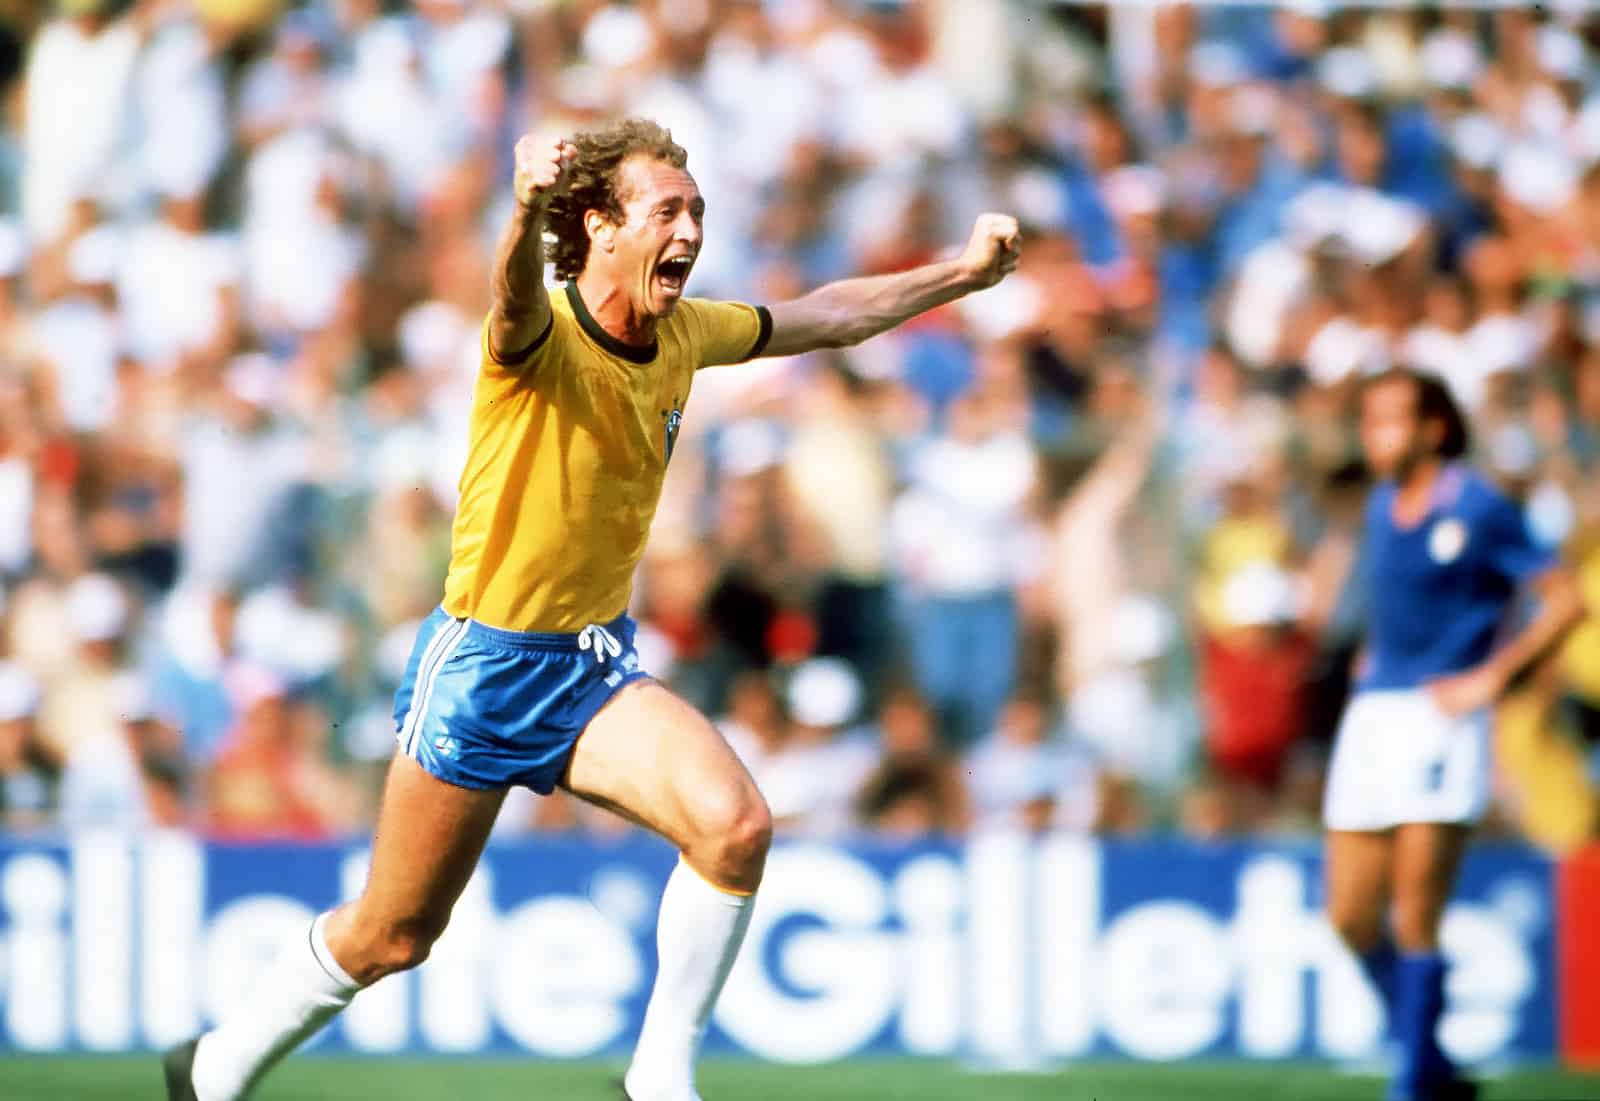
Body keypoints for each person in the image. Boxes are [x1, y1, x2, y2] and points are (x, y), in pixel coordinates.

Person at [163, 117, 1020, 1101]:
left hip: (588, 664)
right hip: (482, 669)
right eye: (667, 211)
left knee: (736, 827)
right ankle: (217, 1067)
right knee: (394, 934)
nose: (690, 230)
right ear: (600, 229)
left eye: (697, 211)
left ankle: (658, 1080)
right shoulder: (542, 336)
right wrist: (525, 208)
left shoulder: (684, 333)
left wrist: (959, 275)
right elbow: (509, 301)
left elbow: (829, 313)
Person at [1322, 368, 1586, 1101]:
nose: (1375, 435)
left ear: (1433, 428)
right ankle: (1431, 1058)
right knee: (1348, 915)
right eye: (1369, 420)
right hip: (1374, 716)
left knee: (1416, 911)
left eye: (1390, 419)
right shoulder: (1380, 505)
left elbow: (1565, 599)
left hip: (1443, 717)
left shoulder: (1478, 506)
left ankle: (1413, 1082)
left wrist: (1492, 678)